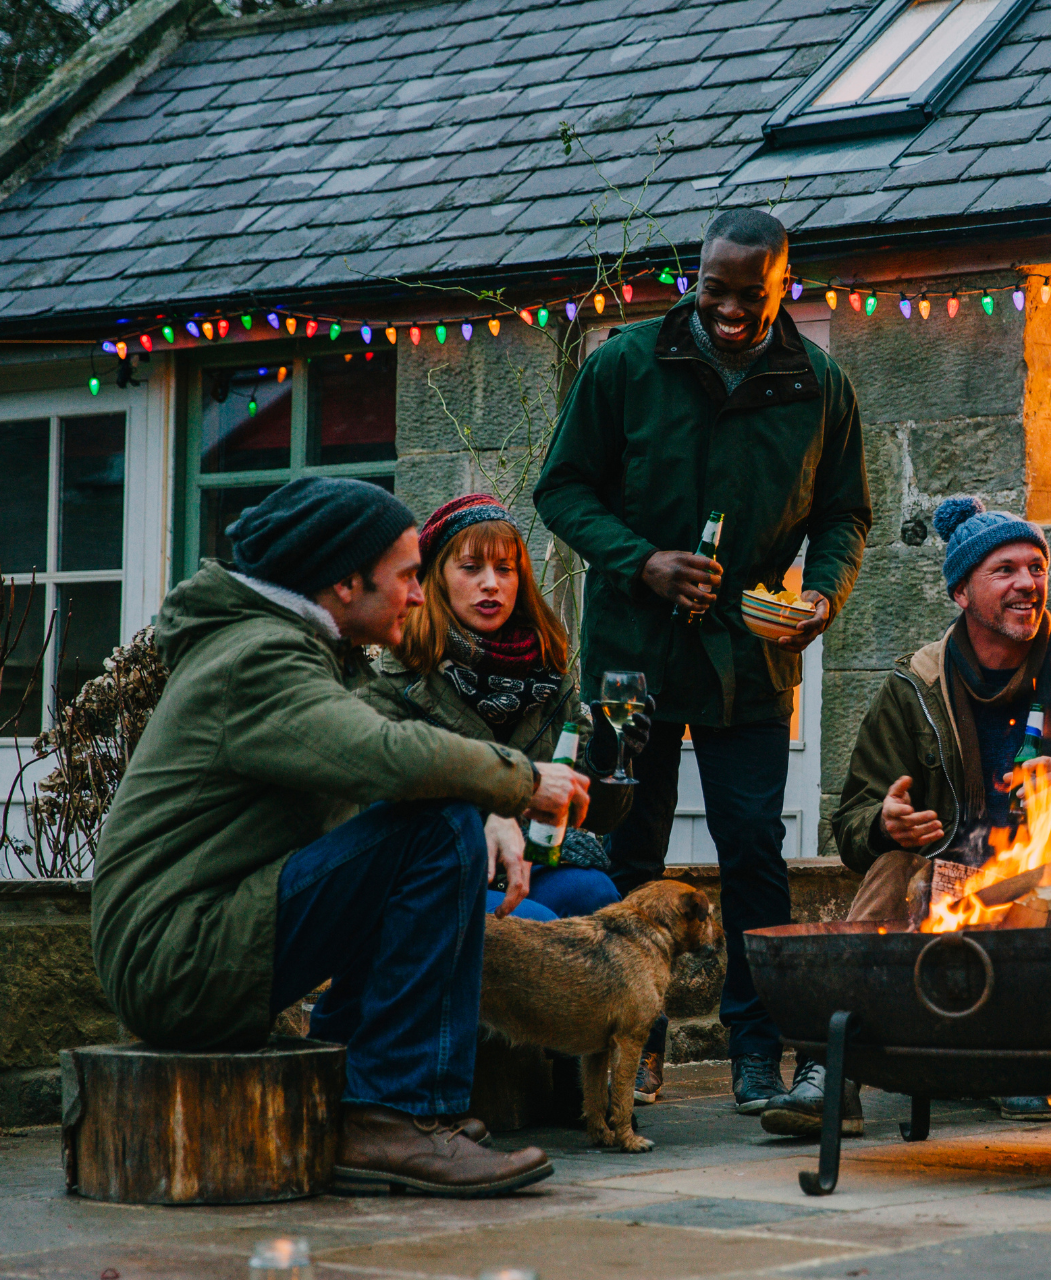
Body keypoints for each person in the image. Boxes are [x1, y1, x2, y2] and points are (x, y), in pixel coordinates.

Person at [92, 478, 591, 1196]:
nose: (419, 596)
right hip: (178, 957)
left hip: (205, 935)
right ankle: (393, 1110)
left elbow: (376, 783)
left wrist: (490, 815)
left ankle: (372, 1087)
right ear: (346, 581)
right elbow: (384, 753)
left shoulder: (295, 650)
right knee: (436, 830)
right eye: (409, 576)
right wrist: (517, 781)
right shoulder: (259, 659)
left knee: (440, 826)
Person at [535, 207, 872, 1118]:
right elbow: (560, 489)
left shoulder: (819, 384)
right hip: (626, 663)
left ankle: (756, 1055)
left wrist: (822, 596)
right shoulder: (622, 365)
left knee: (754, 853)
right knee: (624, 847)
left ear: (782, 287)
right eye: (713, 290)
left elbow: (846, 513)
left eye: (749, 297)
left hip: (751, 663)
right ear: (695, 277)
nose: (728, 310)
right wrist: (643, 559)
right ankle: (625, 1047)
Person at [812, 496, 1051, 1128]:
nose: (1028, 583)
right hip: (962, 886)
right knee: (896, 864)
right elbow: (852, 824)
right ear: (961, 592)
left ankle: (1019, 1060)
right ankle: (831, 1074)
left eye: (1036, 567)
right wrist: (884, 822)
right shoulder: (912, 686)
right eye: (1005, 570)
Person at [363, 493, 650, 923]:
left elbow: (594, 816)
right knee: (535, 925)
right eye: (471, 567)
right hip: (434, 868)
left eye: (505, 569)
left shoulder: (548, 675)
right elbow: (378, 807)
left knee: (598, 897)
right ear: (436, 577)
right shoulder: (397, 676)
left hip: (533, 859)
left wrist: (611, 757)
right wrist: (490, 816)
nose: (491, 584)